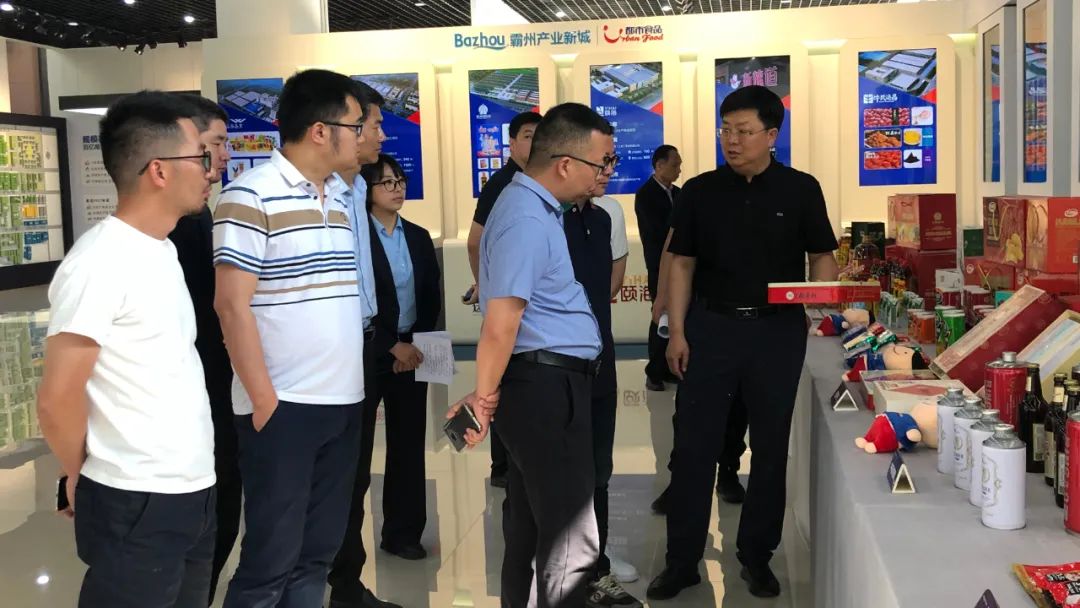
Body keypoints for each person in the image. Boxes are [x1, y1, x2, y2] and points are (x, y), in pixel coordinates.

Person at [646, 85, 839, 601]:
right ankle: (682, 561)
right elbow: (681, 264)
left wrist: (821, 301)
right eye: (725, 130)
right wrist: (677, 331)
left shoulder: (800, 189)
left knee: (770, 449)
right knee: (694, 448)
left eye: (744, 131)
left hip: (777, 334)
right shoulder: (700, 192)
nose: (732, 140)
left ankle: (757, 557)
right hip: (711, 330)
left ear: (771, 135)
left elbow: (822, 255)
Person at [36, 90, 216, 607]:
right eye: (200, 157)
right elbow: (56, 398)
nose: (209, 170)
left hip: (191, 488)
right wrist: (83, 475)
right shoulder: (100, 261)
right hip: (134, 497)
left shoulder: (161, 248)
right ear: (159, 170)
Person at [447, 102, 614, 607]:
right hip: (545, 388)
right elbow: (502, 323)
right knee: (571, 540)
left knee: (530, 526)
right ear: (565, 164)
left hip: (545, 384)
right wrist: (483, 399)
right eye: (600, 163)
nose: (604, 174)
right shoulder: (524, 216)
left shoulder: (535, 208)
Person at [214, 69, 368, 607]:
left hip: (343, 401)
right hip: (284, 406)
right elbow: (231, 304)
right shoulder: (249, 195)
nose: (363, 136)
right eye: (356, 125)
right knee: (270, 561)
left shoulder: (341, 197)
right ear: (321, 130)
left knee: (317, 554)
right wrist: (263, 400)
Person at [328, 83, 403, 608]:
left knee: (354, 477)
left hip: (365, 343)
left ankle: (346, 587)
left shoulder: (354, 191)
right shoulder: (318, 195)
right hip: (331, 352)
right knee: (332, 482)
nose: (380, 135)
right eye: (372, 125)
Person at [166, 93, 239, 606]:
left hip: (213, 394)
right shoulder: (169, 231)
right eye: (216, 144)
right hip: (189, 407)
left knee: (218, 521)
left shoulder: (200, 216)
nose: (225, 156)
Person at [561, 169, 643, 608]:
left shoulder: (602, 218)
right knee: (558, 479)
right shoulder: (539, 219)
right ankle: (565, 579)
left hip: (599, 365)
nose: (609, 170)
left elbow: (606, 289)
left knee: (598, 472)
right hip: (553, 371)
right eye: (600, 160)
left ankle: (597, 571)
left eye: (612, 159)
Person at [366, 153, 441, 558]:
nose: (396, 189)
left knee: (409, 444)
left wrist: (416, 346)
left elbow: (430, 297)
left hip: (413, 353)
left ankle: (403, 533)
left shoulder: (418, 236)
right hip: (370, 351)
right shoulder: (357, 236)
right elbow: (355, 300)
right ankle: (344, 548)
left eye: (400, 181)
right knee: (359, 449)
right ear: (367, 190)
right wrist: (389, 344)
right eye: (386, 183)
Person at [464, 110, 542, 489]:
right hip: (508, 304)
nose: (535, 142)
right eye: (528, 136)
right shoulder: (502, 184)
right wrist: (488, 289)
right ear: (511, 143)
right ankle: (503, 465)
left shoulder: (535, 182)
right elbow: (474, 242)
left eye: (541, 135)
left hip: (525, 305)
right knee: (501, 379)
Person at [634, 145, 682, 392]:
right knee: (660, 316)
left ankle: (669, 369)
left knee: (677, 316)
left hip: (681, 266)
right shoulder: (646, 195)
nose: (679, 170)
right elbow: (657, 233)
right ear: (659, 165)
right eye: (675, 165)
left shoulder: (679, 193)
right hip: (658, 267)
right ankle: (654, 371)